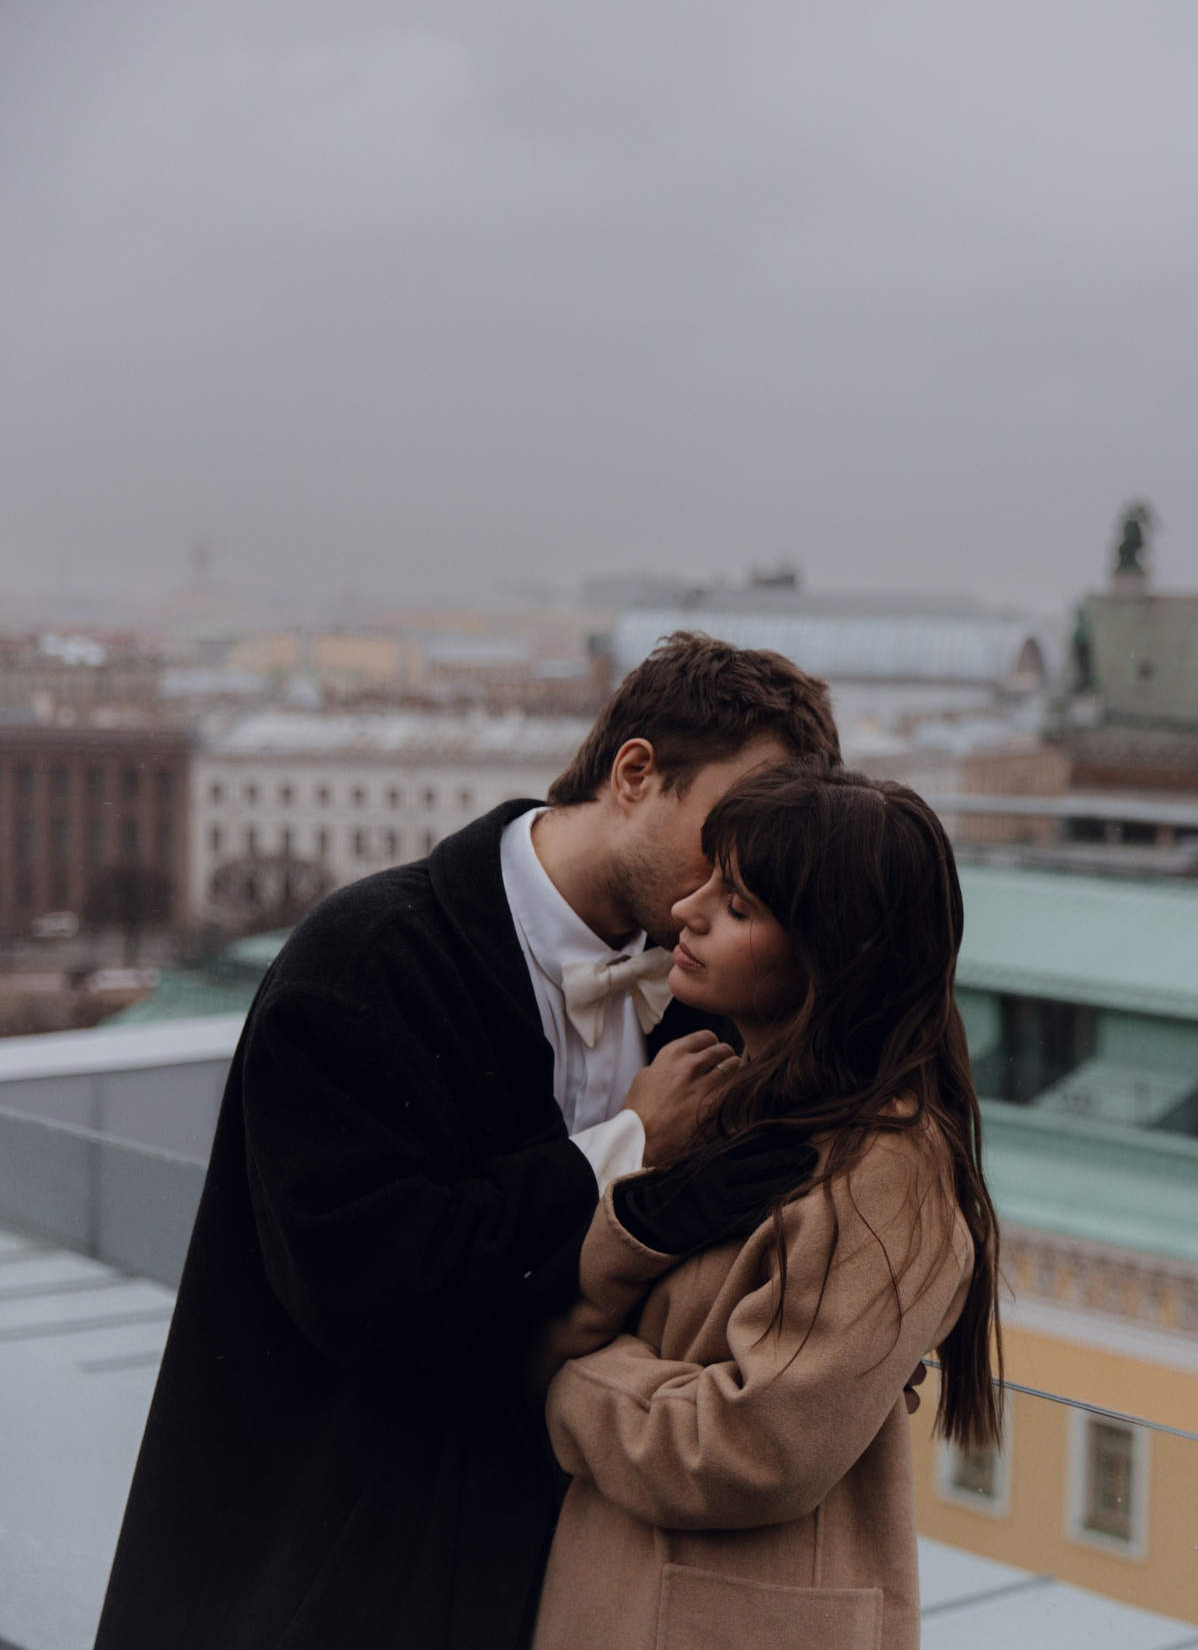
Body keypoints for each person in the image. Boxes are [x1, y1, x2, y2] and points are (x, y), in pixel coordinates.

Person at [95, 633, 841, 1650]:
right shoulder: (361, 961)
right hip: (334, 1578)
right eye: (732, 830)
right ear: (634, 773)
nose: (745, 877)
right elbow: (364, 1285)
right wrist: (626, 1143)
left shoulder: (711, 995)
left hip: (562, 1582)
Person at [522, 764, 1003, 1650]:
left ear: (831, 953)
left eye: (737, 905)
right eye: (709, 879)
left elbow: (749, 1449)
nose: (687, 910)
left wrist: (564, 1373)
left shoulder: (888, 1172)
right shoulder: (721, 1102)